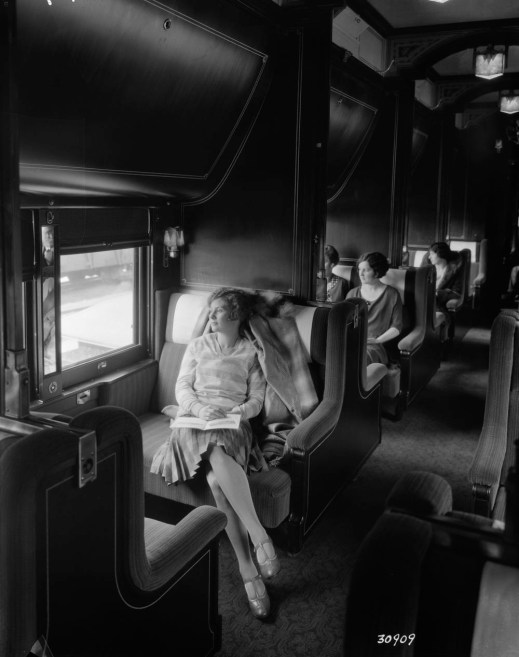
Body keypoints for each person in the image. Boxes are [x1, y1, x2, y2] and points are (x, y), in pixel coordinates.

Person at [150, 287, 280, 620]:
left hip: (233, 424)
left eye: (218, 310)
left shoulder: (251, 353)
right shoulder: (196, 346)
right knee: (212, 442)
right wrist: (199, 408)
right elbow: (182, 386)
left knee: (218, 482)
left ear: (236, 316)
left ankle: (247, 567)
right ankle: (259, 536)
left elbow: (256, 399)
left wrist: (237, 413)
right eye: (210, 310)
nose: (210, 315)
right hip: (194, 421)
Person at [346, 252, 403, 365]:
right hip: (352, 341)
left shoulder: (392, 294)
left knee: (357, 359)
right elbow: (345, 322)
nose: (360, 274)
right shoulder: (352, 294)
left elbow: (397, 327)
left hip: (376, 347)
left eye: (366, 270)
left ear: (377, 272)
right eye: (359, 269)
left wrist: (377, 340)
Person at [427, 242, 463, 313]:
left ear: (440, 254)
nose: (429, 257)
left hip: (439, 305)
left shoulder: (454, 271)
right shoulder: (429, 270)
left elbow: (457, 293)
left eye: (431, 254)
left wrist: (438, 293)